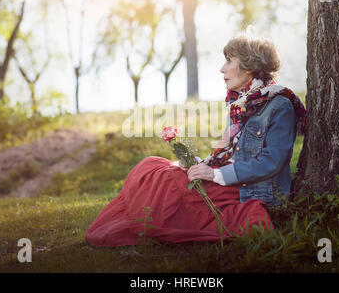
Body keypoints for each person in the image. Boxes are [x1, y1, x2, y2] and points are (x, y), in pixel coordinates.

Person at [85, 34, 306, 247]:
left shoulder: (279, 105)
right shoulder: (241, 102)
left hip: (250, 188)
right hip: (230, 177)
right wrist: (202, 163)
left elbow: (270, 162)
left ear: (248, 67)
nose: (222, 68)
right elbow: (230, 153)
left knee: (168, 181)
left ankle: (142, 223)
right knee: (151, 165)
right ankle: (140, 218)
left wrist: (215, 174)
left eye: (229, 61)